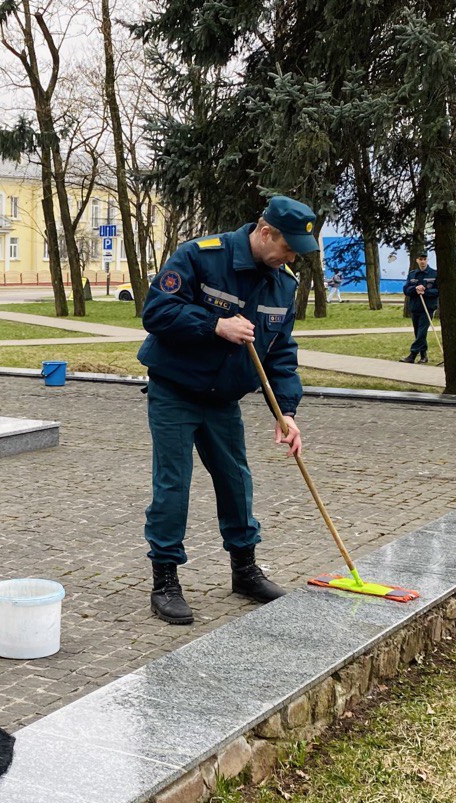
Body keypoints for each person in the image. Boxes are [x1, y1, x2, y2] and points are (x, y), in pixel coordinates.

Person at [138, 195, 313, 625]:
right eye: (288, 247)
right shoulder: (201, 256)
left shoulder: (282, 285)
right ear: (264, 230)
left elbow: (281, 355)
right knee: (173, 483)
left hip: (222, 400)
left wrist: (285, 411)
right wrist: (215, 324)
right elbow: (157, 312)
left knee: (236, 480)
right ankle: (165, 581)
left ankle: (245, 571)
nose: (291, 257)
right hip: (175, 390)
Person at [401, 253, 437, 363]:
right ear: (417, 260)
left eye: (424, 259)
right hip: (415, 307)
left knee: (421, 332)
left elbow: (437, 291)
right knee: (418, 333)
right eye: (420, 259)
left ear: (427, 260)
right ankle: (424, 356)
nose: (422, 261)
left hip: (427, 308)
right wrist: (415, 289)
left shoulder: (434, 274)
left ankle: (412, 355)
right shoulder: (412, 275)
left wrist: (425, 291)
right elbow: (406, 290)